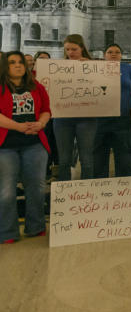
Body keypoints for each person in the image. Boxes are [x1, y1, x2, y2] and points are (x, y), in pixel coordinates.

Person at [0, 52, 52, 243]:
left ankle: (36, 227)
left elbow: (47, 109)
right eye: (12, 62)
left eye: (21, 62)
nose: (18, 66)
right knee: (6, 190)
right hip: (6, 146)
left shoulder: (36, 86)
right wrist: (18, 127)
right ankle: (7, 232)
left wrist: (40, 123)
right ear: (5, 66)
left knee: (36, 187)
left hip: (34, 144)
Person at [52, 34, 98, 180]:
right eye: (67, 49)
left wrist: (90, 67)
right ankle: (64, 192)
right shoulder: (57, 68)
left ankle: (86, 192)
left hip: (87, 118)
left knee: (86, 158)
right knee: (64, 159)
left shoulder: (95, 66)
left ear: (82, 48)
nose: (70, 52)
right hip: (62, 118)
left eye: (74, 49)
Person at [93, 43, 131, 178]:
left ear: (121, 55)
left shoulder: (129, 70)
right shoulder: (95, 69)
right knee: (98, 155)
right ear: (104, 55)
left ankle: (123, 188)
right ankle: (100, 186)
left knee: (124, 154)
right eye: (110, 52)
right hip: (99, 119)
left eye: (117, 52)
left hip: (124, 120)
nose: (113, 54)